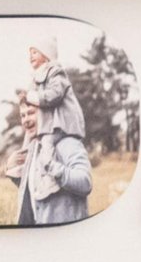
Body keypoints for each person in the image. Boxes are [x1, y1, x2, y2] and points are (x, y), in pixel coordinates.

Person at [5, 92, 93, 226]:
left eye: (31, 113)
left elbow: (85, 183)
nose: (26, 120)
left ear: (46, 114)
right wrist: (11, 168)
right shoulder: (35, 149)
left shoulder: (68, 143)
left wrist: (51, 166)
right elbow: (37, 189)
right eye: (23, 115)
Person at [20, 34, 86, 200]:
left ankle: (50, 177)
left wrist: (33, 97)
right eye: (30, 53)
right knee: (32, 146)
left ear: (46, 54)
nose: (30, 56)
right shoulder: (38, 76)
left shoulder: (56, 72)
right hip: (49, 124)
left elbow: (54, 95)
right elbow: (30, 98)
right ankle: (29, 169)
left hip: (61, 123)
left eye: (35, 52)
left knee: (47, 147)